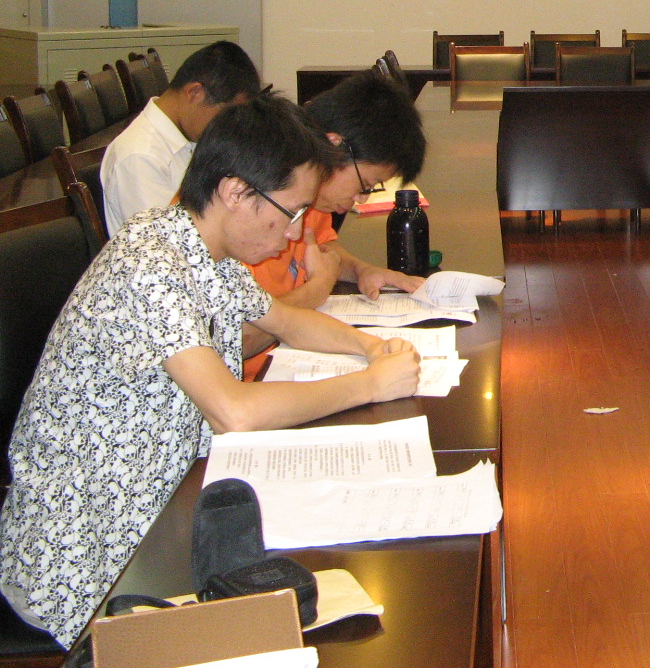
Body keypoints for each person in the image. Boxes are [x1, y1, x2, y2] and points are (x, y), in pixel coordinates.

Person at [0, 94, 422, 645]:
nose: (295, 233)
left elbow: (287, 322)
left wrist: (371, 347)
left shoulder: (204, 250)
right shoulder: (149, 263)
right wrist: (367, 385)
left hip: (163, 509)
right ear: (235, 192)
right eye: (291, 212)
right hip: (90, 558)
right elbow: (233, 412)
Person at [242, 69, 431, 376]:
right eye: (365, 185)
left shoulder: (310, 190)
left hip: (290, 358)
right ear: (334, 145)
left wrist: (361, 271)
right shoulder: (251, 205)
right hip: (256, 379)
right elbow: (236, 340)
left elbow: (323, 251)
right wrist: (317, 288)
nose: (361, 200)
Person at [101, 40, 261, 236]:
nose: (228, 127)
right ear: (195, 93)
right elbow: (164, 241)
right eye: (226, 115)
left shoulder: (188, 137)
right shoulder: (141, 157)